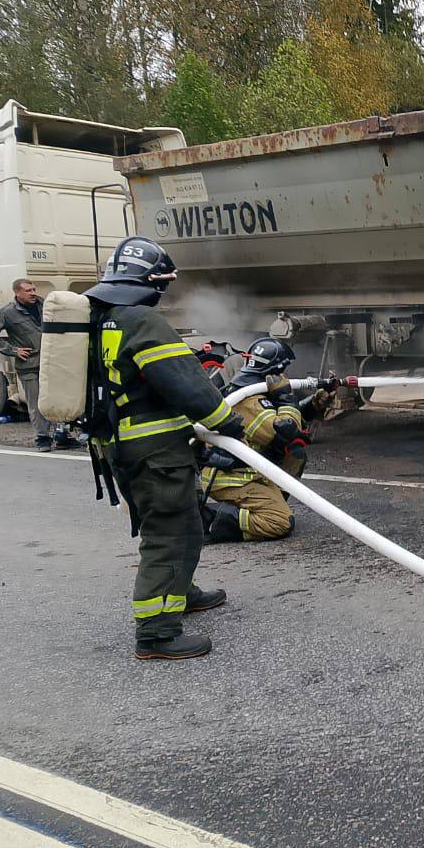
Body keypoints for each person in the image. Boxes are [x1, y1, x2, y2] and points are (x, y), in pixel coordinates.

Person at [84, 237, 245, 661]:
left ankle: (180, 593)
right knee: (168, 534)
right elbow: (184, 382)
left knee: (186, 524)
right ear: (149, 282)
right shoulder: (140, 320)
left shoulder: (99, 317)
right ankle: (155, 633)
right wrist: (227, 423)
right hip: (154, 453)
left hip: (124, 447)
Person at [199, 337, 333, 543]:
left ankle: (269, 501)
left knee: (296, 455)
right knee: (279, 522)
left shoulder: (255, 390)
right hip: (233, 479)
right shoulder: (248, 400)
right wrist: (286, 397)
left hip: (247, 472)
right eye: (283, 371)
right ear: (273, 372)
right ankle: (212, 517)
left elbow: (286, 425)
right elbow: (282, 433)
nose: (285, 376)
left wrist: (315, 404)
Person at [0, 278, 81, 449]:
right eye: (28, 290)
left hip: (52, 362)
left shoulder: (46, 305)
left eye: (33, 289)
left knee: (59, 400)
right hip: (29, 365)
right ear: (17, 293)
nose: (33, 293)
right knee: (36, 404)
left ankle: (62, 435)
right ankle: (42, 438)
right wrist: (12, 350)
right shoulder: (7, 312)